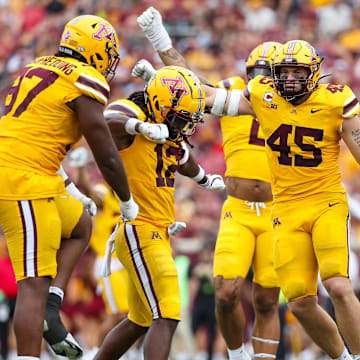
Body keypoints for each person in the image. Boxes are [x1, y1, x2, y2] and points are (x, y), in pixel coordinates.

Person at [134, 7, 281, 359]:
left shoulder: (295, 104)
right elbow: (190, 86)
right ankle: (237, 354)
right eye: (258, 74)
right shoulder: (233, 91)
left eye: (271, 74)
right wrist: (161, 42)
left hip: (279, 210)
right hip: (239, 209)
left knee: (266, 299)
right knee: (225, 291)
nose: (266, 81)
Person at [203, 39, 360, 360]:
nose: (289, 78)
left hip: (325, 201)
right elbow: (216, 100)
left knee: (339, 286)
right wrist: (164, 82)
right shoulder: (263, 94)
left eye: (296, 71)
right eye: (283, 71)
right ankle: (343, 358)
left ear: (313, 73)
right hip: (286, 209)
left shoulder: (335, 99)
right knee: (300, 304)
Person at [0, 14, 139, 360]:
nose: (108, 62)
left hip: (28, 168)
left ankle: (52, 305)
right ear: (92, 50)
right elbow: (103, 148)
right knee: (32, 283)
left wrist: (72, 188)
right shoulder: (84, 77)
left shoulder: (38, 66)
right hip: (22, 180)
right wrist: (125, 199)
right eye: (106, 52)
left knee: (80, 224)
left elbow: (35, 137)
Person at [93, 65, 225, 360]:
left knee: (138, 321)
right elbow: (109, 119)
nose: (185, 124)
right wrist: (141, 127)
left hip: (157, 231)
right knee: (168, 312)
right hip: (140, 228)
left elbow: (182, 156)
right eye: (181, 116)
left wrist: (203, 177)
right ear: (161, 106)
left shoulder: (169, 132)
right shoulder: (136, 117)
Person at [66, 147, 131, 357]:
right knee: (117, 314)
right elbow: (88, 189)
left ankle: (118, 353)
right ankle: (96, 353)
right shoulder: (104, 192)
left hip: (126, 263)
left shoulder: (129, 197)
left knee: (133, 315)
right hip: (109, 264)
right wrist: (81, 168)